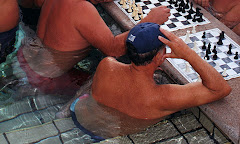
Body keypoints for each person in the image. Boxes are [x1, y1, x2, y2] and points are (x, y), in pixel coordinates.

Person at [17, 0, 170, 96]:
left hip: (28, 61)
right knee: (141, 84)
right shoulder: (81, 8)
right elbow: (114, 50)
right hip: (48, 79)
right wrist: (149, 21)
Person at [69, 22, 231, 140]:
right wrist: (187, 53)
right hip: (113, 138)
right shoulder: (162, 97)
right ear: (160, 56)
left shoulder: (107, 65)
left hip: (79, 117)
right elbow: (220, 89)